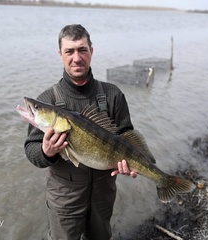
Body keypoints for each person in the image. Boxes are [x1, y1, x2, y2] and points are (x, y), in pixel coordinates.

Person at [24, 24, 137, 240]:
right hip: (64, 198)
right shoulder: (47, 100)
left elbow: (127, 137)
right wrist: (46, 151)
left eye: (82, 50)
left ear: (91, 51)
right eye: (69, 51)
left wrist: (130, 165)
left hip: (103, 194)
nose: (77, 58)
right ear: (60, 55)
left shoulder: (113, 95)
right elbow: (31, 151)